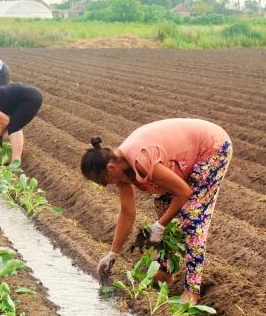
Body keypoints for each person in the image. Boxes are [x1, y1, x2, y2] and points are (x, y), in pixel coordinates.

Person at [80, 118, 233, 305]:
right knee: (162, 204)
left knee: (194, 218)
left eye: (104, 181)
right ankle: (165, 272)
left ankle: (192, 291)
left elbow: (184, 192)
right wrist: (112, 254)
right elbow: (127, 213)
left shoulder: (140, 161)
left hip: (211, 147)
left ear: (110, 169)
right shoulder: (119, 169)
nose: (106, 185)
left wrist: (160, 225)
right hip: (186, 154)